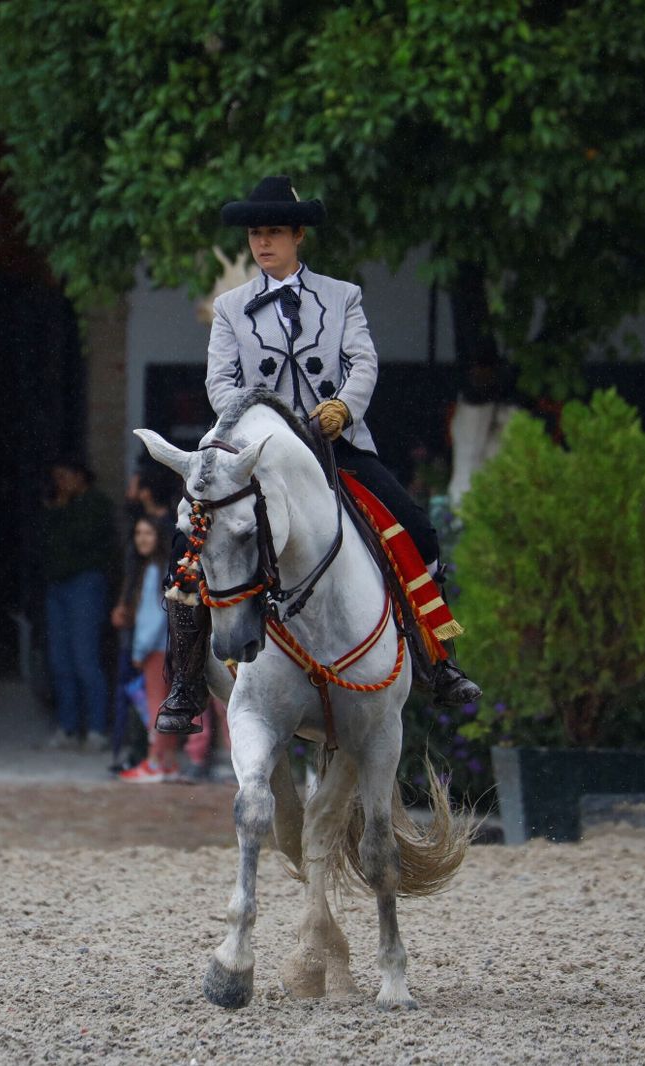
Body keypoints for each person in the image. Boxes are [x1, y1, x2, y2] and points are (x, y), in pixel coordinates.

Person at [154, 175, 481, 737]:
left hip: (337, 448)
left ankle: (436, 661)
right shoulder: (231, 307)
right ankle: (186, 683)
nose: (263, 243)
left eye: (274, 232)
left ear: (298, 235)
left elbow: (364, 363)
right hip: (254, 458)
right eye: (256, 234)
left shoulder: (342, 295)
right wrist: (263, 425)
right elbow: (220, 382)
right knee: (186, 545)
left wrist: (343, 410)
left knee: (419, 529)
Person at [113, 515, 217, 782]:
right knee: (173, 704)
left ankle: (156, 762)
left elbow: (152, 619)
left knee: (157, 707)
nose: (142, 539)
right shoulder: (172, 570)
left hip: (156, 650)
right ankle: (168, 762)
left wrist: (139, 652)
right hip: (176, 648)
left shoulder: (154, 571)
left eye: (147, 533)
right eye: (138, 533)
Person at [40, 458, 116, 750]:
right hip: (57, 585)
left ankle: (97, 728)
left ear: (80, 476)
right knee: (60, 659)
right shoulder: (57, 505)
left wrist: (61, 511)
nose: (60, 483)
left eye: (64, 476)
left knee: (85, 658)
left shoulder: (96, 505)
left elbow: (77, 539)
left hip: (85, 583)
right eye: (56, 477)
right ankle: (67, 726)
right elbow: (46, 541)